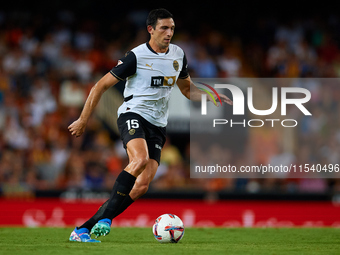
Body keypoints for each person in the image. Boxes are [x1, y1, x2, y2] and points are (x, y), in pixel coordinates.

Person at [68, 8, 232, 243]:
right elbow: (100, 86)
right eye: (164, 28)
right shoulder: (135, 56)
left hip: (158, 124)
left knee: (143, 184)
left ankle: (85, 227)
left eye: (172, 28)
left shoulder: (178, 55)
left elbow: (188, 91)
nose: (169, 32)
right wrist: (83, 119)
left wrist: (210, 95)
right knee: (139, 160)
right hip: (132, 113)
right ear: (150, 30)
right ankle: (104, 221)